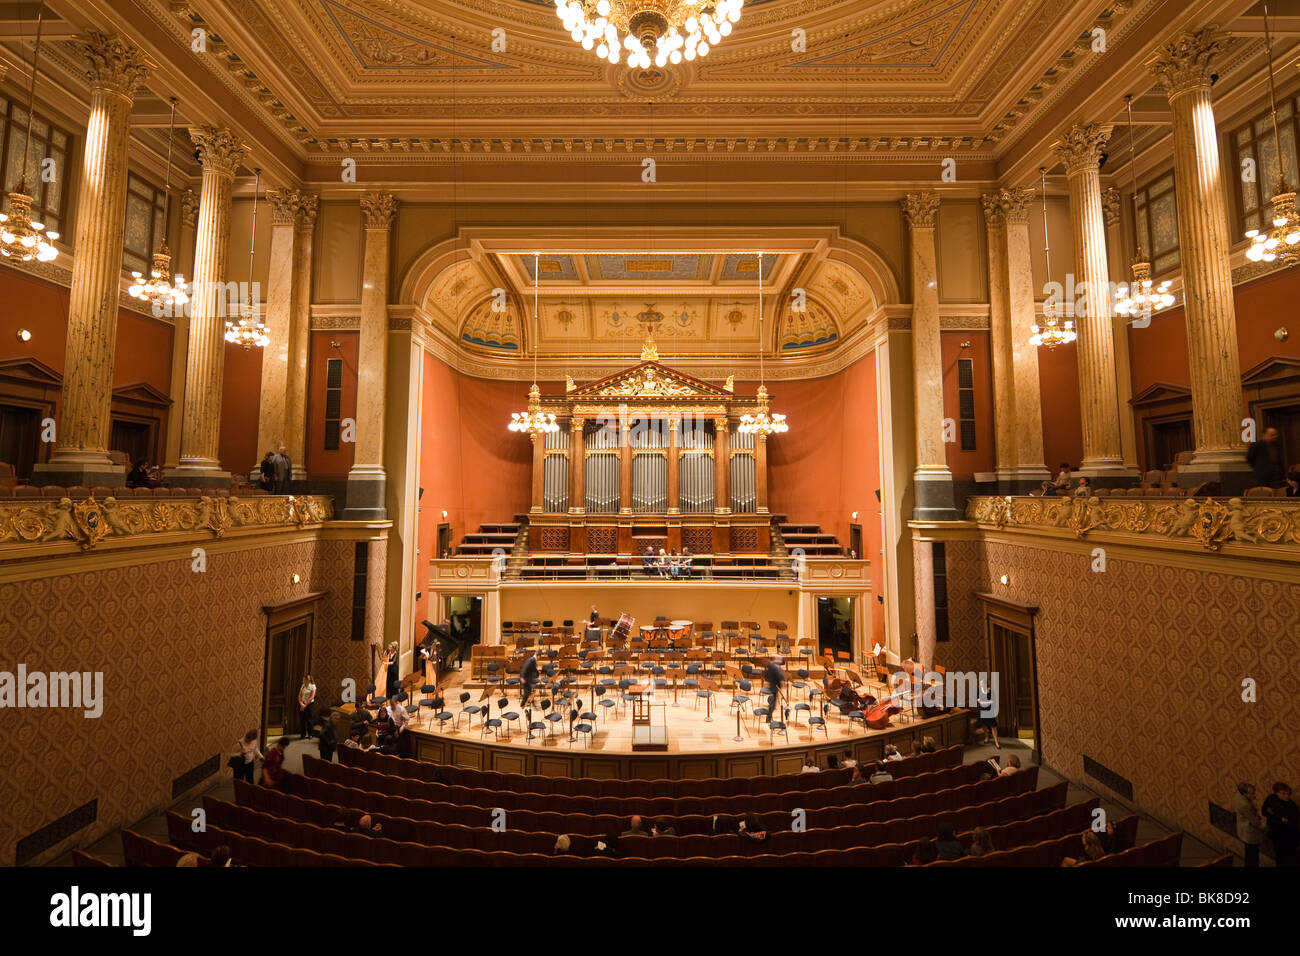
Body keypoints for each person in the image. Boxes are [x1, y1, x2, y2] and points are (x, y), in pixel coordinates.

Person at [1262, 782, 1299, 867]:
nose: (1287, 796)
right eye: (1283, 793)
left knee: (1290, 858)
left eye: (1288, 794)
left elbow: (1292, 822)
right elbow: (1264, 811)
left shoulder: (1291, 806)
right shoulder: (1271, 799)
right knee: (1279, 857)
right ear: (1276, 793)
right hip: (1276, 835)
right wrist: (1279, 818)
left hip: (1289, 837)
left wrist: (1274, 815)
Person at [1236, 782, 1263, 867]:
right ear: (1244, 794)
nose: (1254, 795)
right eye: (1252, 793)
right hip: (1250, 834)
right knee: (1252, 857)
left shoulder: (1238, 797)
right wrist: (1256, 810)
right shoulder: (1246, 805)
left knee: (1249, 855)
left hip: (1242, 830)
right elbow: (1255, 822)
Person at [762, 654, 786, 725]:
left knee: (772, 703)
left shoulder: (770, 665)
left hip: (772, 686)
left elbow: (766, 676)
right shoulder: (774, 667)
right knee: (773, 705)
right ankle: (769, 718)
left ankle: (769, 718)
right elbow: (779, 677)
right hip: (774, 687)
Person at [976, 678, 999, 750]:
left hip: (989, 710)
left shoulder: (991, 692)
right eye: (979, 684)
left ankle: (996, 741)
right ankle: (987, 737)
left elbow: (994, 701)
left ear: (985, 684)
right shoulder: (979, 691)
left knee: (993, 726)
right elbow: (977, 699)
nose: (980, 685)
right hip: (982, 710)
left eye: (981, 684)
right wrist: (979, 701)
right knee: (983, 724)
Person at [297, 674, 317, 740]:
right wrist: (301, 703)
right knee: (302, 720)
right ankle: (303, 734)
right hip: (302, 704)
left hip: (309, 705)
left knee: (309, 720)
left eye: (304, 680)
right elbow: (299, 695)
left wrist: (305, 705)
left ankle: (310, 734)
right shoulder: (303, 686)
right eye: (303, 679)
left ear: (308, 680)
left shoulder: (312, 686)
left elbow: (312, 697)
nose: (303, 681)